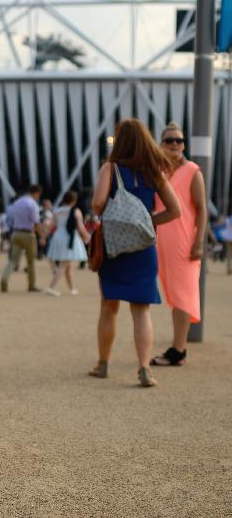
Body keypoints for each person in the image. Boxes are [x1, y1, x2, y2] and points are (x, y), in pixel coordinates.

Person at [88, 118, 181, 387]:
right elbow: (176, 210)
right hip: (143, 248)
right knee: (142, 311)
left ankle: (103, 364)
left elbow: (97, 205)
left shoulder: (110, 168)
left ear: (120, 140)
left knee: (109, 307)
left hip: (114, 248)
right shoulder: (154, 171)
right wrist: (148, 222)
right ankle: (144, 368)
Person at [151, 123, 207, 366]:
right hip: (163, 241)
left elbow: (202, 210)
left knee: (183, 294)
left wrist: (198, 242)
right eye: (169, 140)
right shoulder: (159, 171)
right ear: (161, 143)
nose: (174, 144)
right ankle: (178, 345)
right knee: (174, 293)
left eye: (179, 141)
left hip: (185, 242)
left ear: (184, 145)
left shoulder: (193, 170)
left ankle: (178, 350)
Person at [0, 184, 43, 293]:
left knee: (13, 260)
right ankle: (31, 285)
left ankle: (4, 281)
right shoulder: (32, 204)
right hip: (28, 234)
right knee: (31, 262)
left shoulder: (17, 203)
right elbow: (36, 222)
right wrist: (42, 235)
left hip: (16, 233)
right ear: (37, 193)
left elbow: (9, 219)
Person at [45, 191, 89, 296]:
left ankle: (72, 288)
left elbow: (51, 225)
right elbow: (80, 226)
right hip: (70, 238)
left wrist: (43, 236)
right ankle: (51, 287)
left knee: (68, 264)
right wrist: (87, 236)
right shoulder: (76, 211)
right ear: (74, 200)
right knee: (65, 264)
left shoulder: (57, 211)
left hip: (58, 236)